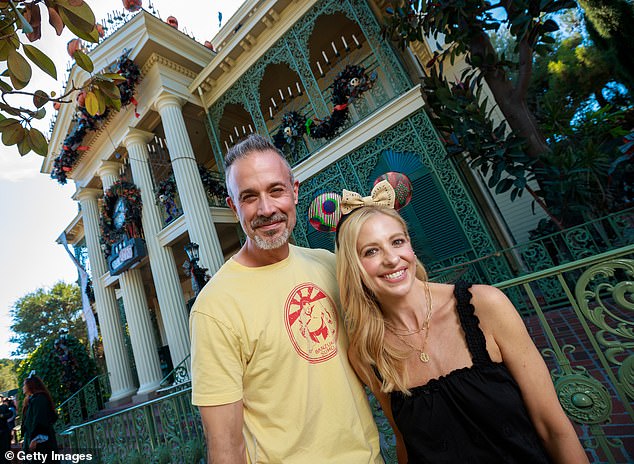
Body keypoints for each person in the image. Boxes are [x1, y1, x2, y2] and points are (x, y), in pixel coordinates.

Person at [334, 191, 589, 464]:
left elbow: (554, 429)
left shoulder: (485, 305)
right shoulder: (366, 354)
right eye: (371, 251)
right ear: (354, 267)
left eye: (397, 242)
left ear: (410, 246)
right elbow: (406, 445)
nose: (391, 259)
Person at [189, 134, 383, 463]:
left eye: (276, 190)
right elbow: (225, 448)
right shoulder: (214, 308)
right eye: (249, 198)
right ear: (234, 207)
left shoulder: (329, 264)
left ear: (294, 191)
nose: (266, 209)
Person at [21, 375, 58, 455]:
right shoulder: (31, 400)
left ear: (31, 385)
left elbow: (40, 420)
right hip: (32, 441)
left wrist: (35, 439)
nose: (23, 387)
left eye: (24, 385)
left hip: (41, 444)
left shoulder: (40, 399)